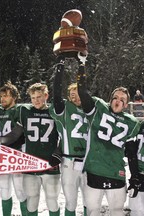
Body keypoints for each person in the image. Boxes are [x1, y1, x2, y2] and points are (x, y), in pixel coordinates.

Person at [76, 55, 140, 216]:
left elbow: (132, 154)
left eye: (122, 99)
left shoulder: (131, 122)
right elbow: (82, 91)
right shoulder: (98, 108)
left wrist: (135, 177)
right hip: (94, 170)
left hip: (116, 172)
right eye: (115, 97)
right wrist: (81, 64)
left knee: (117, 212)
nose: (118, 101)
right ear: (110, 99)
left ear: (126, 105)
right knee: (92, 211)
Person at [50, 55, 88, 216]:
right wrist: (60, 66)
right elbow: (56, 91)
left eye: (77, 92)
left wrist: (82, 65)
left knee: (90, 201)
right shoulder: (63, 109)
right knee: (70, 202)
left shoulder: (92, 108)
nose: (75, 96)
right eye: (71, 94)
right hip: (69, 161)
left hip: (88, 161)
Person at [16, 83, 61, 216]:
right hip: (31, 162)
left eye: (39, 97)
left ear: (46, 96)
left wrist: (58, 153)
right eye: (33, 97)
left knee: (52, 200)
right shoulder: (25, 111)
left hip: (50, 162)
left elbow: (65, 136)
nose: (36, 100)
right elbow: (16, 135)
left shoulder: (54, 112)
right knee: (32, 201)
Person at [0, 81, 27, 216]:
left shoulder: (20, 110)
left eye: (6, 95)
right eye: (1, 96)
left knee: (20, 191)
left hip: (17, 155)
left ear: (14, 97)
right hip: (1, 157)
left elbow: (16, 133)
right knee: (4, 191)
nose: (2, 99)